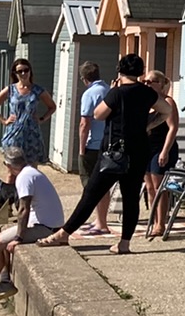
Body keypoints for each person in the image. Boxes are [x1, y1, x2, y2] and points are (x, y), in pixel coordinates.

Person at [42, 54, 157, 254]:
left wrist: (112, 92)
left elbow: (98, 114)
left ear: (120, 70)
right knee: (130, 198)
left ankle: (63, 234)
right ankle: (124, 243)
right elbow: (164, 111)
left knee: (91, 194)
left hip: (114, 152)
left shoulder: (117, 92)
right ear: (140, 71)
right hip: (138, 151)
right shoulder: (147, 93)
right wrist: (147, 124)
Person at [0, 146, 65, 308]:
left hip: (46, 229)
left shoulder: (24, 178)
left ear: (8, 166)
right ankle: (5, 281)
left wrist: (19, 238)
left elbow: (23, 209)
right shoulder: (32, 172)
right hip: (50, 224)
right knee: (3, 236)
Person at [0, 61, 54, 170]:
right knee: (13, 170)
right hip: (14, 133)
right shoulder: (10, 90)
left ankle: (29, 188)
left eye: (26, 70)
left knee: (31, 170)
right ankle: (11, 188)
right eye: (20, 71)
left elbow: (52, 106)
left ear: (30, 71)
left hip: (32, 134)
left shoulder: (37, 90)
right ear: (15, 73)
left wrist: (42, 118)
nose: (23, 73)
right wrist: (4, 121)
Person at [74, 62, 112, 238]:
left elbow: (85, 123)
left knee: (91, 185)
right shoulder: (109, 90)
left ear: (84, 79)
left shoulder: (90, 94)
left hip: (94, 145)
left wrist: (81, 149)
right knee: (103, 185)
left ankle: (101, 222)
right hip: (108, 143)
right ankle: (100, 219)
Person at [141, 71, 180, 240]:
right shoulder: (146, 103)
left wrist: (165, 151)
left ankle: (160, 224)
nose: (148, 84)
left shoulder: (167, 101)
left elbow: (173, 128)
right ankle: (153, 220)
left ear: (161, 83)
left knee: (159, 186)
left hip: (163, 147)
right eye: (146, 81)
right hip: (147, 148)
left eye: (152, 81)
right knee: (149, 187)